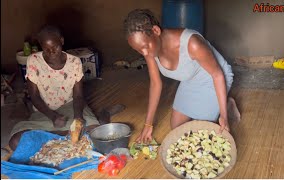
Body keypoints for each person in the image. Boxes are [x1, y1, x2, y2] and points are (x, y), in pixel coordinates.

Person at [123, 9, 240, 143]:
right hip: (190, 79)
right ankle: (222, 103)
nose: (144, 53)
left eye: (145, 47)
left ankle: (224, 104)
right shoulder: (149, 50)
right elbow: (156, 84)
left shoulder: (192, 43)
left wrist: (223, 116)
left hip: (214, 77)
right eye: (138, 50)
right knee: (177, 127)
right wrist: (148, 125)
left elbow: (217, 75)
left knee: (202, 132)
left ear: (155, 31)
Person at [9, 25, 125, 150]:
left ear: (62, 41)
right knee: (16, 142)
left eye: (55, 47)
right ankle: (66, 136)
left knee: (98, 136)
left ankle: (103, 115)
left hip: (71, 106)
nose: (51, 52)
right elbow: (34, 96)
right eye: (46, 49)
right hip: (45, 111)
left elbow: (78, 96)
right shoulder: (34, 61)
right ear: (40, 45)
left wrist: (78, 117)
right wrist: (53, 116)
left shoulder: (74, 62)